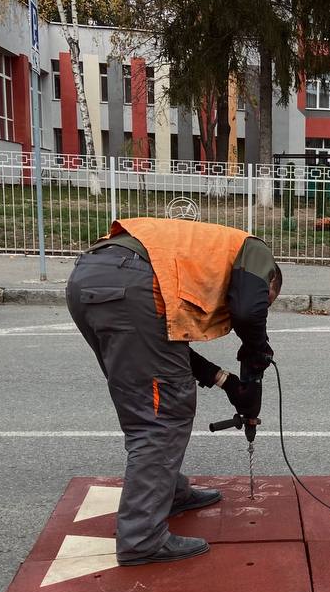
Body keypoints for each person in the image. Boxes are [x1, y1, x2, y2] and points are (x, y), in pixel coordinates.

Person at [66, 216, 282, 566]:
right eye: (268, 298)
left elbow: (169, 349)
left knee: (144, 400)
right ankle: (142, 538)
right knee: (161, 415)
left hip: (92, 278)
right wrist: (258, 349)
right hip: (131, 284)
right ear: (270, 279)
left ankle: (169, 493)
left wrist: (225, 380)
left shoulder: (194, 264)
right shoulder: (255, 251)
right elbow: (248, 311)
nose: (264, 306)